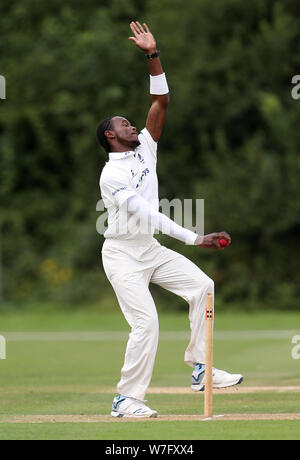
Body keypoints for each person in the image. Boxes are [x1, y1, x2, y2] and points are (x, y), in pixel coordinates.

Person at [97, 21, 243, 418]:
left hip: (150, 248)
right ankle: (126, 399)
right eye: (122, 124)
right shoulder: (112, 175)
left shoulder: (145, 147)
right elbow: (149, 214)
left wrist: (153, 56)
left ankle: (200, 368)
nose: (132, 124)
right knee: (147, 324)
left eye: (131, 121)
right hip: (123, 255)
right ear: (111, 137)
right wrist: (196, 239)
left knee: (204, 287)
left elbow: (161, 103)